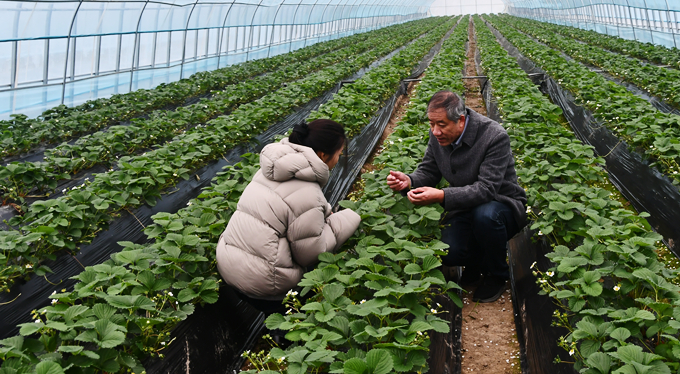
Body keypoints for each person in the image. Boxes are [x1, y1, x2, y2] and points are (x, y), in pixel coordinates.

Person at [386, 91, 526, 302]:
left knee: (485, 215)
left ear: (461, 120)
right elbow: (429, 171)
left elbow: (486, 189)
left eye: (441, 124)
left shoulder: (494, 136)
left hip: (500, 205)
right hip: (464, 205)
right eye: (431, 124)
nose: (435, 131)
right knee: (450, 252)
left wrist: (441, 195)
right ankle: (476, 260)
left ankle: (496, 274)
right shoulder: (438, 137)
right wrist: (409, 180)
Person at [216, 119, 361, 315]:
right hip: (265, 287)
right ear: (322, 155)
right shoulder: (308, 193)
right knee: (312, 283)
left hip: (228, 267)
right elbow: (311, 253)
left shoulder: (271, 170)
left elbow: (289, 204)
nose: (340, 156)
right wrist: (349, 218)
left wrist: (321, 211)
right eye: (339, 152)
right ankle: (283, 330)